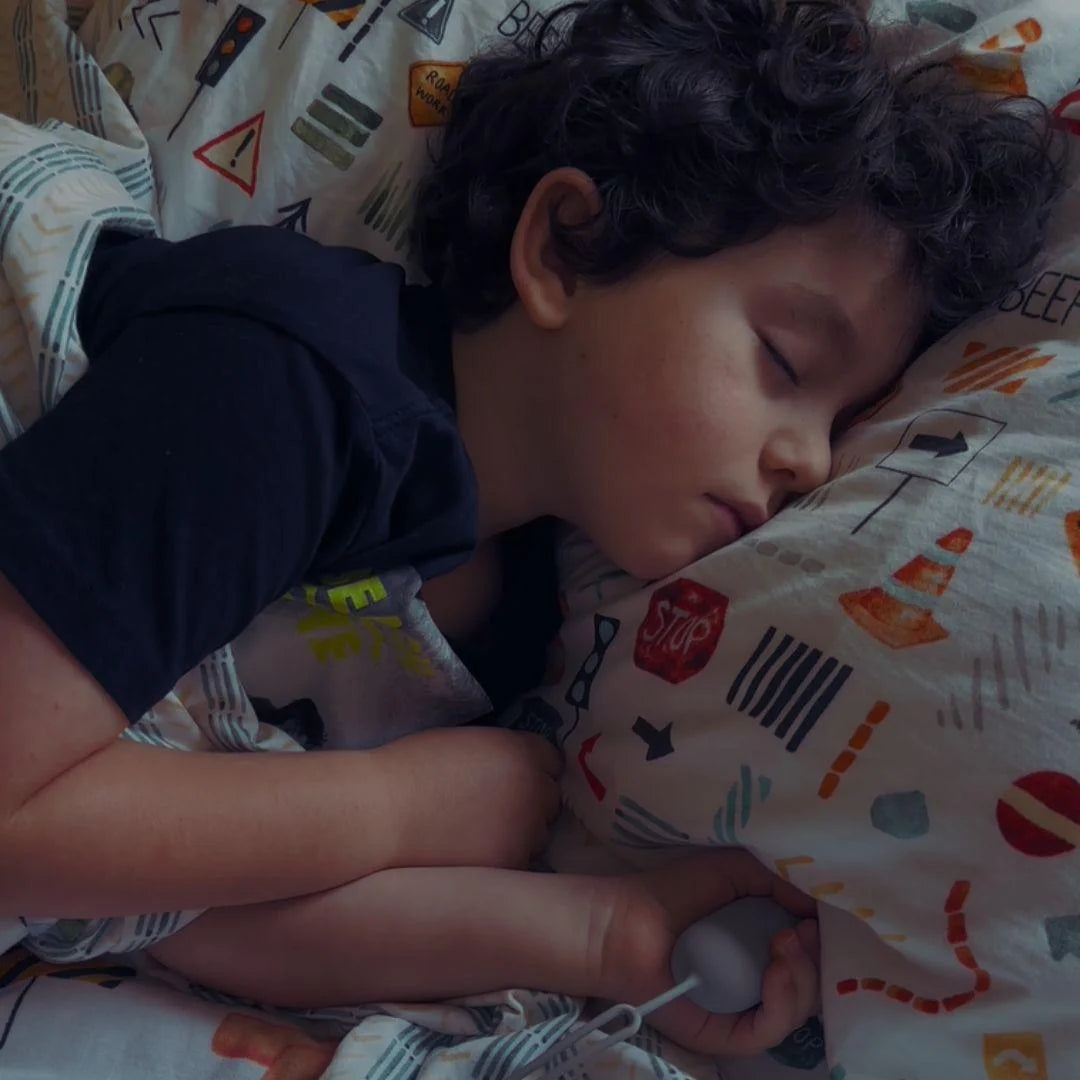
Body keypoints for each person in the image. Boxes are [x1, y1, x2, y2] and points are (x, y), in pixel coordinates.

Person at [0, 0, 1064, 1060]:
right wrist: (389, 811)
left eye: (840, 421)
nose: (812, 462)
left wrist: (602, 936)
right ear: (564, 247)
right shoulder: (288, 378)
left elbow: (177, 908)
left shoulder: (504, 633)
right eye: (785, 361)